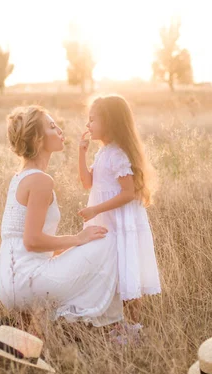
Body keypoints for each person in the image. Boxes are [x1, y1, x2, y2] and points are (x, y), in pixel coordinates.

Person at [0, 105, 123, 330]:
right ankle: (110, 325)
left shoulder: (19, 177)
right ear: (37, 139)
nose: (59, 130)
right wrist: (78, 239)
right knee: (108, 240)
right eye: (52, 127)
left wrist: (72, 249)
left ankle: (38, 327)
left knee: (89, 243)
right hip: (29, 282)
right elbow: (32, 241)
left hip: (9, 285)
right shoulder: (41, 181)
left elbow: (27, 245)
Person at [78, 95, 161, 330]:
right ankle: (115, 323)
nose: (88, 125)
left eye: (93, 119)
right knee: (110, 270)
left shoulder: (118, 154)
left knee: (126, 270)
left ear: (110, 122)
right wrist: (81, 153)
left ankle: (132, 327)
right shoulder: (103, 152)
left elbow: (128, 193)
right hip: (106, 220)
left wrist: (95, 209)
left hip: (119, 221)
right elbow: (87, 183)